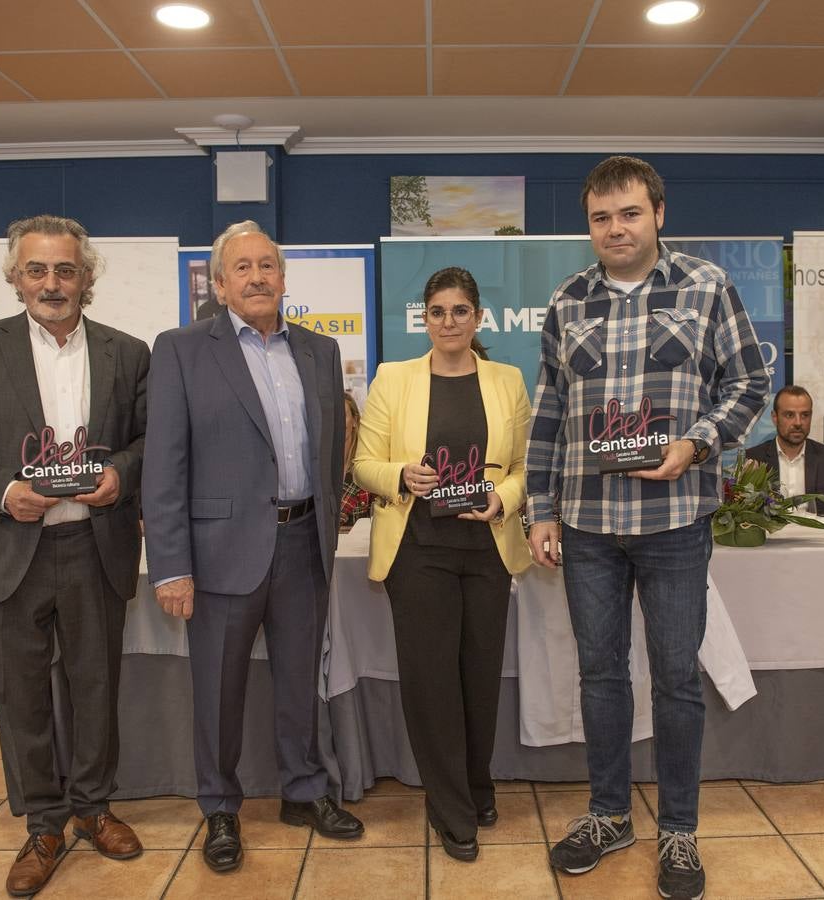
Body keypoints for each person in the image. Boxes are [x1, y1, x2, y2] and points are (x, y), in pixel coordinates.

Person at [525, 156, 768, 900]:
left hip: (674, 523)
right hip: (589, 527)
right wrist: (540, 509)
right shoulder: (567, 300)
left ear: (658, 213)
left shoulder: (705, 286)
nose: (615, 229)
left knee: (675, 681)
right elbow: (549, 415)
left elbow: (751, 381)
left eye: (629, 213)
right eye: (601, 217)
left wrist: (695, 442)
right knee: (600, 677)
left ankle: (680, 830)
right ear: (589, 225)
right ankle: (608, 815)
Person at [0, 214, 148, 897]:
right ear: (15, 277)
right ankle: (45, 823)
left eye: (65, 270)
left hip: (94, 546)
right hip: (10, 549)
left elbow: (150, 439)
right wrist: (3, 491)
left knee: (95, 688)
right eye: (37, 270)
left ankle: (92, 806)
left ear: (87, 278)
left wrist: (123, 476)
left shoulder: (127, 351)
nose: (51, 283)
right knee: (20, 696)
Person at [141, 220, 363, 876]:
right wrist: (171, 564)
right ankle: (218, 806)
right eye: (243, 267)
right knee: (218, 689)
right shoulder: (181, 350)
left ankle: (304, 790)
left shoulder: (320, 353)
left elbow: (329, 457)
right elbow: (163, 465)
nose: (258, 277)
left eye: (268, 265)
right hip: (218, 554)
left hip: (303, 546)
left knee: (301, 680)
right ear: (218, 283)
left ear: (285, 278)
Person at [352, 267, 532, 861]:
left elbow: (529, 467)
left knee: (479, 681)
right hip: (419, 553)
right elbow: (363, 464)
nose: (448, 322)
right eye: (437, 311)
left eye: (460, 311)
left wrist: (502, 497)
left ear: (478, 318)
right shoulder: (392, 378)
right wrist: (400, 475)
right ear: (423, 318)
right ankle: (450, 809)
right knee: (432, 685)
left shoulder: (507, 381)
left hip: (488, 550)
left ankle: (477, 787)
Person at [746, 385, 824, 513]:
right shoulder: (755, 457)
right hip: (772, 532)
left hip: (815, 532)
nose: (798, 423)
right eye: (789, 415)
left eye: (805, 415)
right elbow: (744, 513)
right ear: (775, 417)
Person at [339, 391, 373, 531]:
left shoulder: (366, 463)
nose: (336, 422)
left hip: (359, 547)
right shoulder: (319, 466)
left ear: (354, 420)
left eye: (342, 415)